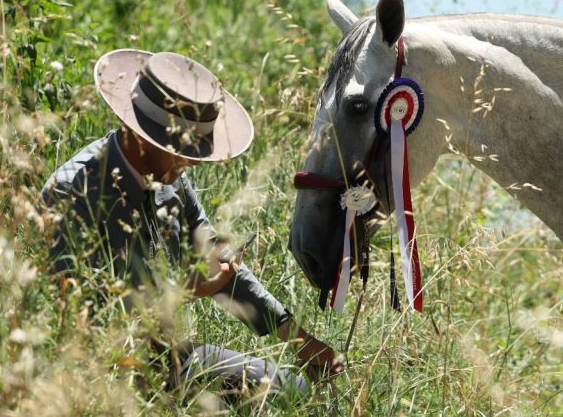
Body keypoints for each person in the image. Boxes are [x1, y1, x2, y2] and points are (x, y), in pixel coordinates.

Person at [40, 49, 342, 398]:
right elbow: (83, 323)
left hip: (165, 355)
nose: (194, 164)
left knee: (291, 389)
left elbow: (217, 261)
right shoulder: (72, 194)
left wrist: (299, 340)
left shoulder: (168, 176)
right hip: (97, 375)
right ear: (141, 136)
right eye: (184, 150)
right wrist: (183, 291)